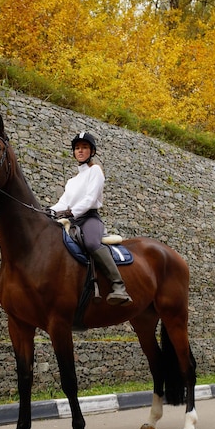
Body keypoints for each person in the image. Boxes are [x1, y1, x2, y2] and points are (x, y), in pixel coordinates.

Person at [49, 131, 132, 306]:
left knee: (92, 243)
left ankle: (119, 286)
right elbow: (63, 202)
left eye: (84, 147)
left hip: (89, 219)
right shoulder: (72, 181)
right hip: (72, 219)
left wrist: (72, 212)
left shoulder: (96, 170)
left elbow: (90, 199)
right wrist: (49, 211)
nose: (80, 151)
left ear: (92, 151)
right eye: (77, 148)